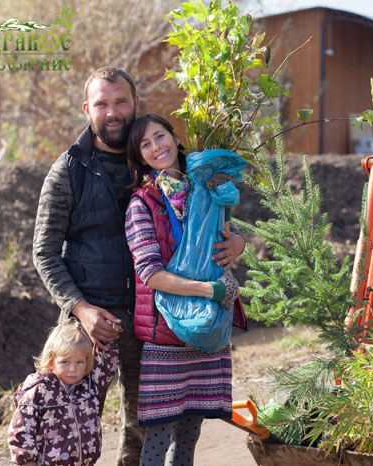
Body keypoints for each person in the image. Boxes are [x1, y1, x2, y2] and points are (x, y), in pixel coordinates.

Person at [32, 66, 246, 466]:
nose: (112, 112)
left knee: (142, 428)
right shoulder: (69, 170)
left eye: (120, 102)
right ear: (87, 109)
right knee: (73, 425)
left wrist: (237, 241)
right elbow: (44, 252)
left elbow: (203, 221)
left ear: (134, 105)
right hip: (92, 321)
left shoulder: (158, 165)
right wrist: (81, 309)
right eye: (102, 104)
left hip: (153, 320)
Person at [124, 114, 239, 465]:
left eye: (160, 136)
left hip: (208, 330)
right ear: (140, 157)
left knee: (189, 438)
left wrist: (239, 243)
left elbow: (225, 241)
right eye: (146, 144)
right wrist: (209, 290)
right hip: (167, 334)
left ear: (175, 138)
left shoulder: (206, 191)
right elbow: (150, 274)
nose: (156, 146)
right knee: (158, 440)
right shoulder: (141, 204)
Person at [7, 319, 118, 466]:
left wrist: (108, 335)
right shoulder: (39, 392)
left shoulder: (89, 387)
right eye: (65, 362)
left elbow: (107, 363)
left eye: (79, 362)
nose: (72, 369)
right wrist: (28, 462)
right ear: (51, 361)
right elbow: (20, 432)